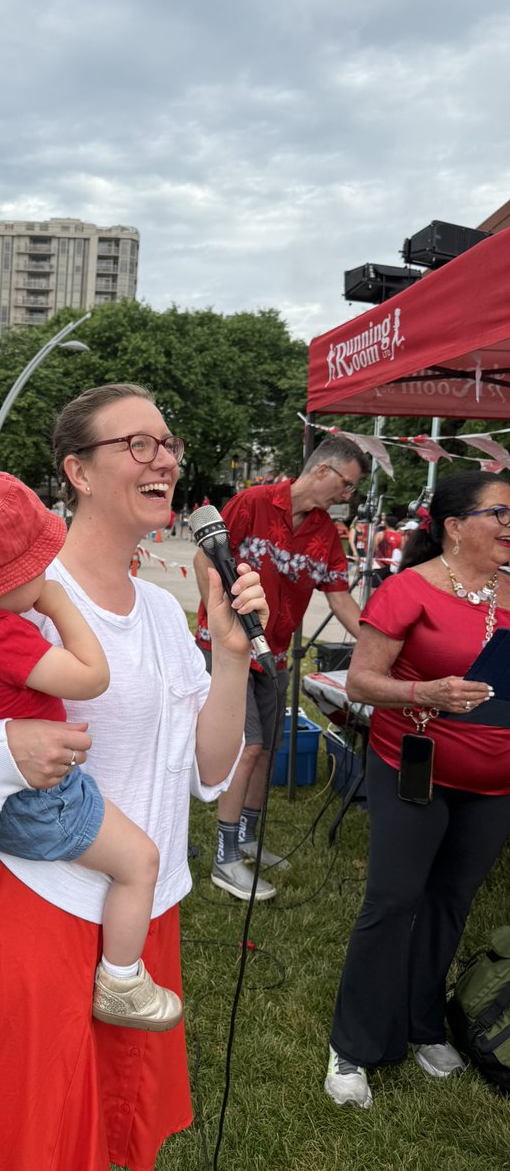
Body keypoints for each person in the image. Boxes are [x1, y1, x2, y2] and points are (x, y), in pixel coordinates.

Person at [0, 383, 267, 1171]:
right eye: (138, 444)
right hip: (36, 902)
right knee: (26, 1144)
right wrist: (2, 745)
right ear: (78, 471)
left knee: (91, 1138)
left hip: (137, 912)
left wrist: (230, 654)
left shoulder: (164, 613)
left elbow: (207, 769)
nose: (164, 458)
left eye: (168, 443)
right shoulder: (13, 593)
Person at [0, 469, 182, 1030]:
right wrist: (54, 605)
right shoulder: (7, 635)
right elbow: (91, 678)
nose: (45, 573)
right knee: (140, 863)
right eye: (33, 568)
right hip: (36, 799)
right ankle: (121, 980)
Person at [324, 471, 510, 1109]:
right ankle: (354, 1044)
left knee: (450, 902)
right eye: (500, 513)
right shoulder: (410, 590)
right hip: (415, 765)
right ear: (456, 527)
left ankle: (423, 1021)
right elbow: (359, 682)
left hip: (496, 782)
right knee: (394, 901)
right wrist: (423, 693)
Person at [194, 434, 367, 901]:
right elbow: (202, 555)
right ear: (324, 471)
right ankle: (225, 859)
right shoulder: (252, 502)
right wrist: (217, 616)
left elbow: (340, 598)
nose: (347, 496)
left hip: (276, 653)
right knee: (246, 747)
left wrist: (377, 636)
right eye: (347, 485)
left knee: (268, 749)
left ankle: (247, 837)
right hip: (227, 648)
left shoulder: (326, 532)